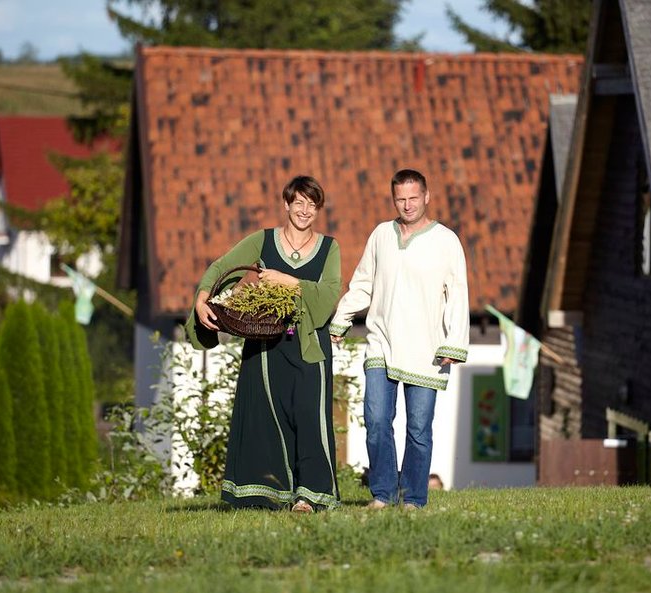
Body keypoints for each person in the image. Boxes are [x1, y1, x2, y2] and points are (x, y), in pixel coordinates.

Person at [185, 175, 342, 513]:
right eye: (298, 202)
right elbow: (222, 267)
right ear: (286, 205)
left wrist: (290, 281)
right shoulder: (264, 240)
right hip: (266, 345)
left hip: (310, 346)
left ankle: (310, 496)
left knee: (310, 418)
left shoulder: (330, 248)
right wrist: (201, 299)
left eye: (311, 204)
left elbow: (329, 294)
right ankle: (271, 492)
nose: (304, 210)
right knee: (270, 418)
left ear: (318, 209)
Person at [330, 169, 469, 509]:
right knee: (376, 420)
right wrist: (341, 318)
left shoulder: (446, 241)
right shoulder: (380, 235)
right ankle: (383, 494)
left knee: (419, 429)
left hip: (427, 350)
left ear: (427, 197)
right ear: (394, 199)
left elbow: (458, 295)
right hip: (382, 341)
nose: (407, 205)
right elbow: (364, 282)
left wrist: (454, 342)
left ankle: (414, 498)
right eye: (400, 199)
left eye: (413, 198)